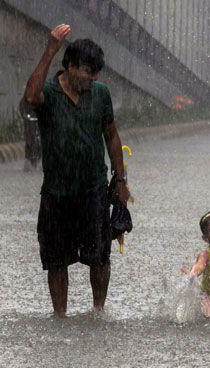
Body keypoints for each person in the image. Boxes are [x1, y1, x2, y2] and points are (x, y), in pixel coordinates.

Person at [23, 24, 130, 317]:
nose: (93, 78)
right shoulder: (49, 93)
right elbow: (30, 98)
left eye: (96, 72)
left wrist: (120, 179)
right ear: (70, 66)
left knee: (100, 257)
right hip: (57, 193)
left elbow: (112, 135)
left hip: (93, 190)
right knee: (56, 261)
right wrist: (49, 49)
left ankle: (98, 312)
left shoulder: (100, 94)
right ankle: (60, 316)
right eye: (87, 71)